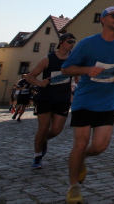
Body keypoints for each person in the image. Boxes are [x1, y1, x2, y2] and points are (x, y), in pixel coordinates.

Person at [60, 6, 114, 204]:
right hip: (84, 100)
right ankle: (73, 187)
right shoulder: (87, 44)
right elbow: (66, 69)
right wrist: (86, 70)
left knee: (100, 146)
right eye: (113, 16)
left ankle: (80, 159)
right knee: (81, 143)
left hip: (107, 101)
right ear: (103, 19)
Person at [25, 33, 76, 168]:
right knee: (43, 128)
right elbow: (30, 76)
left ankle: (43, 140)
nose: (72, 44)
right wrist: (39, 83)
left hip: (63, 98)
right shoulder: (48, 59)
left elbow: (78, 74)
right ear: (61, 42)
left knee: (56, 130)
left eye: (73, 42)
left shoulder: (73, 59)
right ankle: (37, 156)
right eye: (69, 41)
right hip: (45, 97)